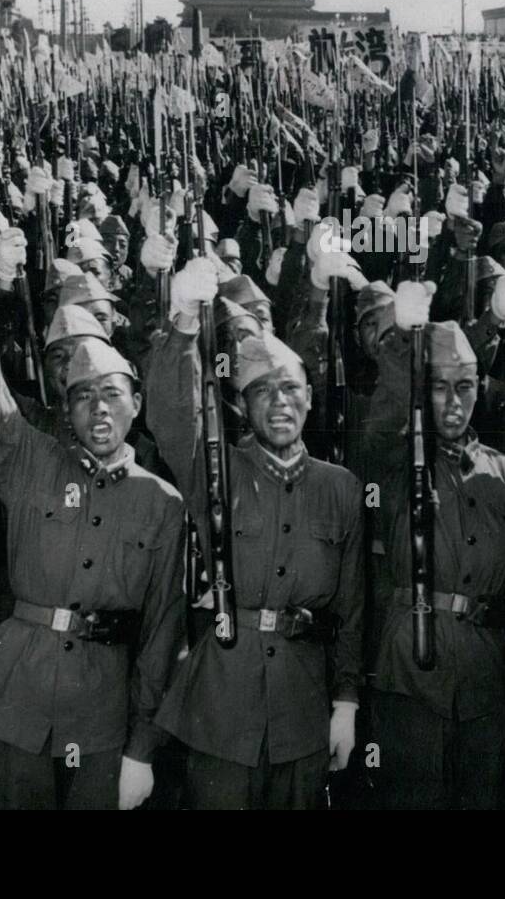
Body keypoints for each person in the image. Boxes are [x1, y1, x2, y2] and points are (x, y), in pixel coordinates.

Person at [147, 258, 365, 810]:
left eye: (290, 389)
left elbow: (352, 607)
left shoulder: (340, 487)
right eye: (262, 392)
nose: (279, 402)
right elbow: (174, 417)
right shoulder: (218, 470)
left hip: (302, 704)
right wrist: (182, 325)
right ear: (243, 406)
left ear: (310, 399)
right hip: (221, 702)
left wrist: (346, 702)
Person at [0, 294, 186, 811]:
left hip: (101, 715)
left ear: (137, 403)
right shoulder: (31, 460)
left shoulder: (162, 503)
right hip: (12, 701)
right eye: (83, 396)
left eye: (112, 393)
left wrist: (141, 749)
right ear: (65, 411)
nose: (99, 407)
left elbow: (162, 634)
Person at [358, 281, 505, 809]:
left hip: (484, 679)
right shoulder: (394, 461)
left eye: (465, 386)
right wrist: (404, 342)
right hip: (410, 672)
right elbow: (386, 417)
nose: (453, 402)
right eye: (437, 387)